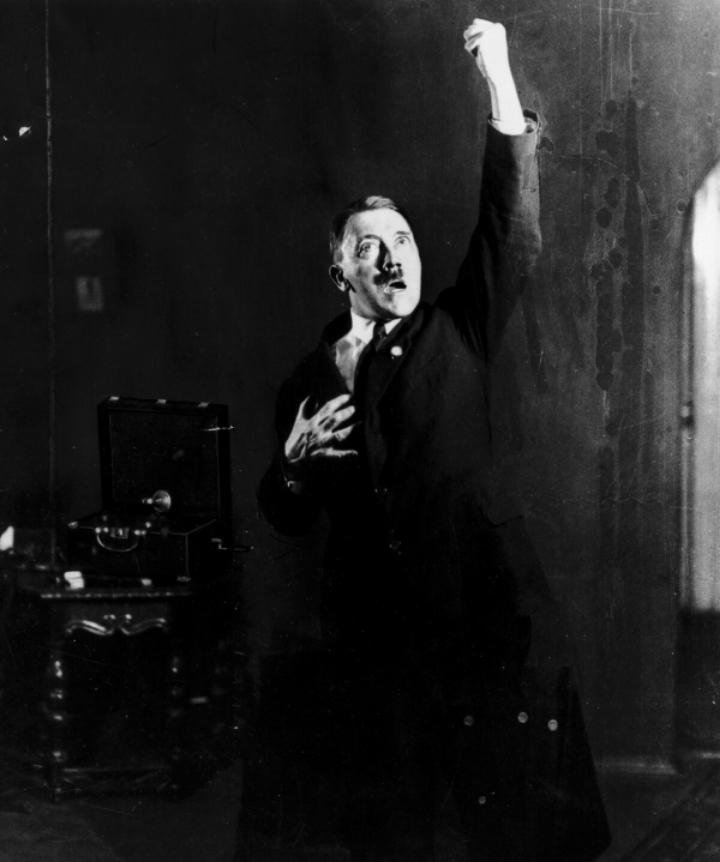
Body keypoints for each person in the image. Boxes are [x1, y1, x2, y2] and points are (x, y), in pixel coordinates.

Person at [251, 18, 611, 862]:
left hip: (482, 619)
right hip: (376, 639)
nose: (392, 259)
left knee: (511, 823)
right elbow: (287, 517)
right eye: (369, 248)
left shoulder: (458, 329)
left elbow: (511, 230)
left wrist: (500, 79)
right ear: (339, 270)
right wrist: (291, 468)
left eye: (404, 242)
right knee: (392, 827)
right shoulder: (308, 381)